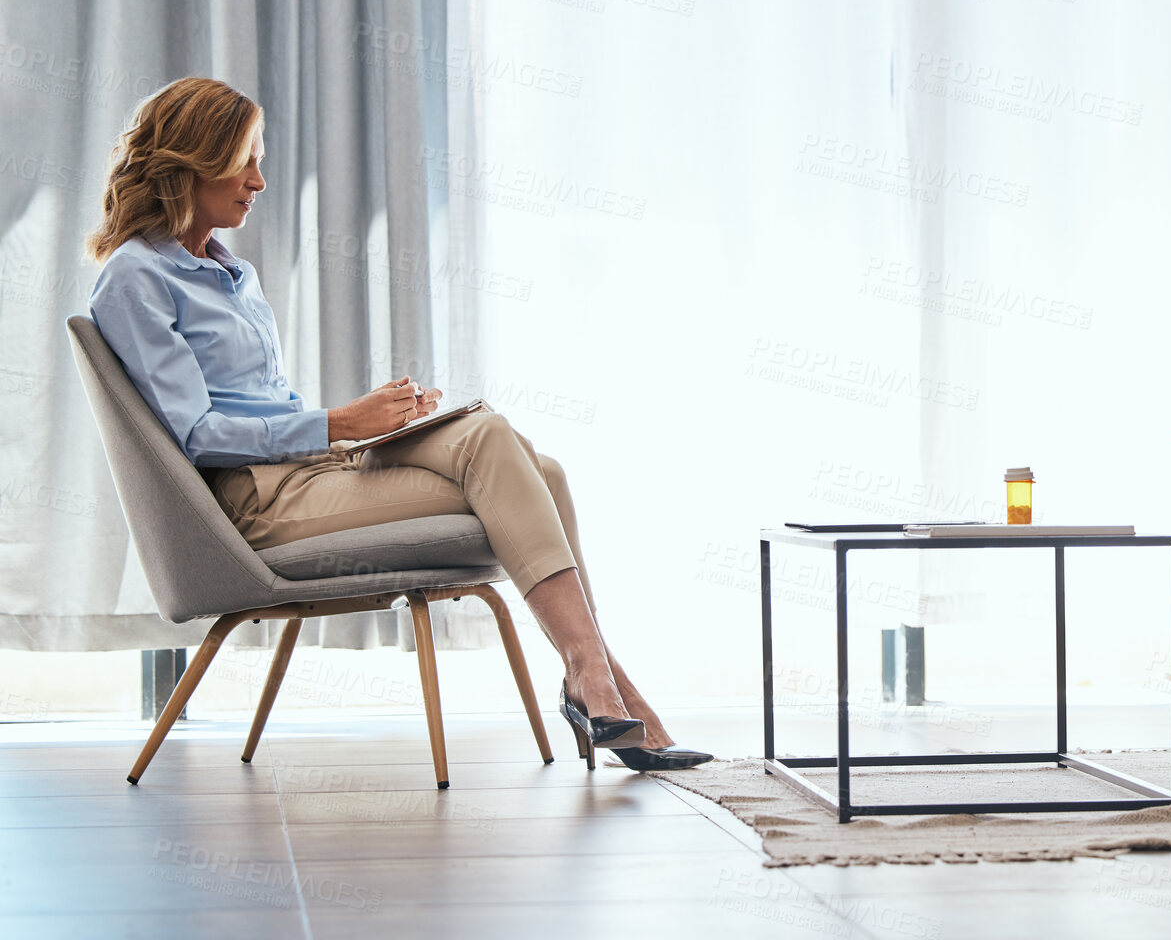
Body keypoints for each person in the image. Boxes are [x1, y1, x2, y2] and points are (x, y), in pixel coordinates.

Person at [86, 77, 710, 773]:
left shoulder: (232, 272)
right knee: (521, 469)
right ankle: (602, 687)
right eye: (244, 160)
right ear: (189, 162)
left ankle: (594, 680)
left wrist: (371, 422)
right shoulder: (135, 278)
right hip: (258, 504)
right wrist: (338, 422)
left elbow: (260, 405)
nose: (259, 181)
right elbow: (196, 436)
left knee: (507, 445)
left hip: (314, 470)